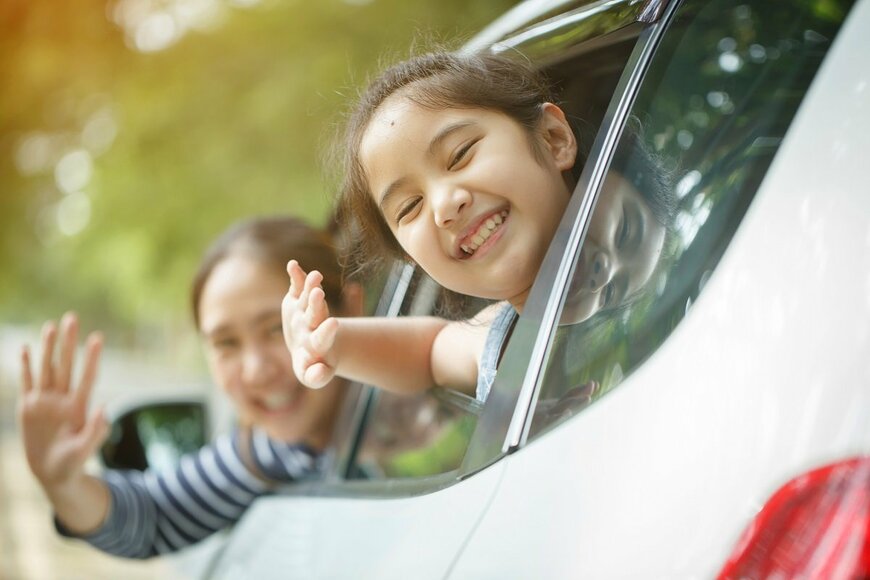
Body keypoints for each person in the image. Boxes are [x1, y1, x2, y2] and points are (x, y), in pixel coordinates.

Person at [282, 51, 674, 404]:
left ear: (553, 139)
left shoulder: (658, 342)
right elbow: (428, 349)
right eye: (411, 206)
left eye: (460, 155)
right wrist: (329, 342)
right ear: (412, 258)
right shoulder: (500, 336)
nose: (445, 206)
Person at [17, 216, 361, 558]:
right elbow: (153, 516)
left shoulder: (409, 403)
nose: (256, 371)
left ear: (353, 309)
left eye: (277, 328)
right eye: (226, 343)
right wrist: (62, 483)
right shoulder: (271, 454)